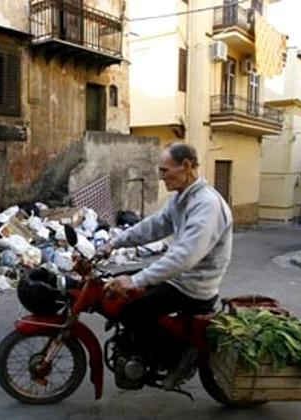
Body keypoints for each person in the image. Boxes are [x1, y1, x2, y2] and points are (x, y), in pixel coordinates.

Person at [98, 141, 233, 390]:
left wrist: (137, 280)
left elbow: (184, 256)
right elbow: (154, 226)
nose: (160, 177)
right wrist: (114, 244)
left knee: (129, 310)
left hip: (193, 287)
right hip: (180, 278)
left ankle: (178, 358)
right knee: (117, 283)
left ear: (186, 166)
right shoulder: (182, 198)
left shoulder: (207, 204)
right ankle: (137, 349)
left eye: (165, 170)